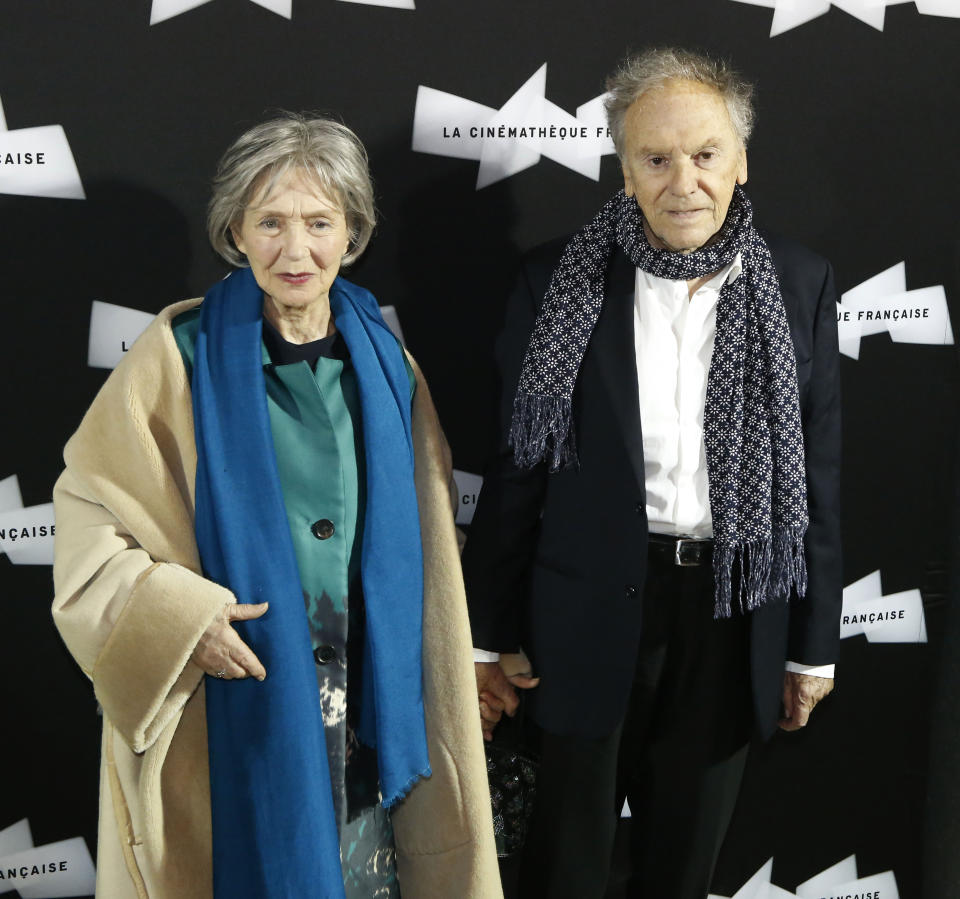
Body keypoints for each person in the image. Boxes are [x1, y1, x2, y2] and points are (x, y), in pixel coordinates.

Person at [51, 114, 501, 899]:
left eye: (320, 222)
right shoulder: (178, 352)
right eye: (270, 222)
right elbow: (89, 516)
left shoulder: (388, 360)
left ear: (353, 234)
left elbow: (426, 533)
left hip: (369, 696)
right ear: (234, 230)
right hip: (235, 683)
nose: (296, 251)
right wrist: (182, 618)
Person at [461, 48, 841, 899]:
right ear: (623, 168)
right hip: (583, 617)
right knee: (567, 867)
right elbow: (518, 470)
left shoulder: (801, 281)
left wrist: (812, 648)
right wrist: (485, 637)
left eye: (705, 154)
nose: (684, 181)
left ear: (741, 161)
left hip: (733, 611)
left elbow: (818, 482)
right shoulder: (556, 281)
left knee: (682, 868)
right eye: (655, 158)